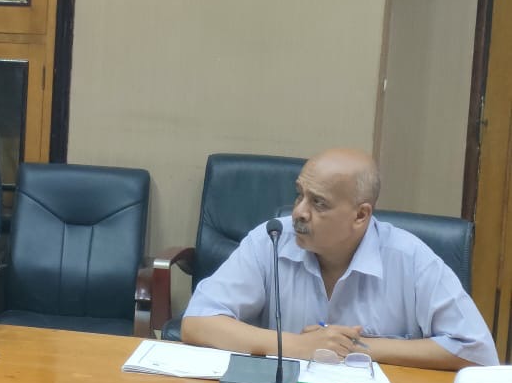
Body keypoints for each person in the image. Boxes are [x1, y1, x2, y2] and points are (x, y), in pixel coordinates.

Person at [181, 147, 497, 370]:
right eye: (299, 194)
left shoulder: (410, 259)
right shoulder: (272, 240)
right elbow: (197, 323)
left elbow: (478, 351)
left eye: (318, 203)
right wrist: (298, 346)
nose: (298, 212)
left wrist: (356, 348)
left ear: (361, 215)